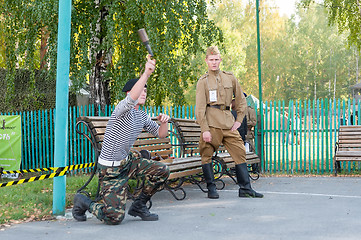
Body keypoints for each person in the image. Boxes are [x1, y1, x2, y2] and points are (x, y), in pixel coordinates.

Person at [72, 55, 170, 225]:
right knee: (114, 218)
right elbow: (132, 98)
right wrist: (146, 73)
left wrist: (164, 122)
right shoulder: (122, 110)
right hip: (110, 169)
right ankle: (83, 201)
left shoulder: (141, 115)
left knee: (162, 170)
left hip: (127, 163)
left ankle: (139, 206)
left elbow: (161, 134)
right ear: (129, 93)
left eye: (146, 91)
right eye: (141, 90)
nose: (144, 93)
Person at [195, 46, 263, 199]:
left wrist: (239, 121)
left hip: (228, 123)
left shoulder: (230, 77)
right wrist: (204, 129)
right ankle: (211, 188)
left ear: (220, 60)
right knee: (206, 155)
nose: (214, 62)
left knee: (240, 152)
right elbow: (199, 108)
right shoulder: (203, 82)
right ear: (206, 61)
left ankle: (245, 188)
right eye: (211, 60)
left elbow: (241, 101)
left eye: (216, 59)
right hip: (211, 123)